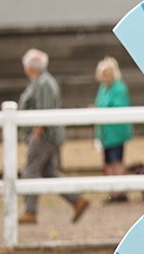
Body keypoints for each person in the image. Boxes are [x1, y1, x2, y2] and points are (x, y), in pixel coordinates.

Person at [18, 48, 87, 224]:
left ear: (30, 67)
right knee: (49, 172)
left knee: (31, 171)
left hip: (43, 136)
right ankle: (77, 200)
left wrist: (36, 133)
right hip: (44, 135)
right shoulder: (41, 82)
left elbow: (44, 111)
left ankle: (30, 211)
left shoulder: (43, 84)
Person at [94, 56, 133, 204]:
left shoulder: (119, 88)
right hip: (104, 132)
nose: (105, 77)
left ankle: (120, 192)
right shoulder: (103, 88)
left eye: (108, 73)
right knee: (107, 163)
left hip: (116, 132)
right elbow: (99, 104)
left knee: (117, 161)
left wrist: (100, 110)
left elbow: (119, 106)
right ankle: (112, 192)